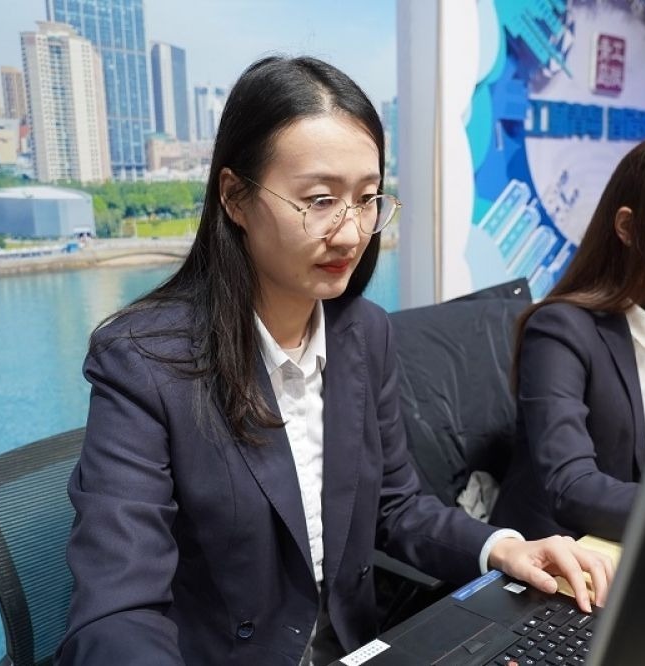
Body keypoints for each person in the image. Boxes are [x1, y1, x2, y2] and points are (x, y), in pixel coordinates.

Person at [55, 56, 613, 666]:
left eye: (367, 199)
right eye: (319, 200)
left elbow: (396, 505)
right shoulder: (144, 361)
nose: (350, 234)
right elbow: (119, 612)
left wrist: (505, 548)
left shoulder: (363, 333)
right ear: (235, 197)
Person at [491, 133, 645, 543]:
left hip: (633, 538)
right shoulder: (558, 330)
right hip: (558, 552)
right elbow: (571, 486)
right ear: (628, 227)